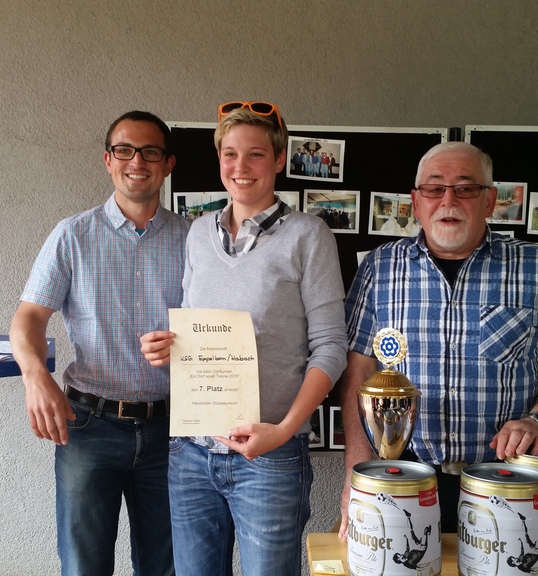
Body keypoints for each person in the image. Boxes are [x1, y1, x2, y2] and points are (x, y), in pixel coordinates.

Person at [339, 141, 538, 535]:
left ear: (489, 200)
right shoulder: (380, 267)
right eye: (434, 188)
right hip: (401, 477)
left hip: (507, 479)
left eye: (465, 188)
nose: (448, 200)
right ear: (416, 201)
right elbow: (358, 369)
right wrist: (357, 473)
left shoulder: (537, 266)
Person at [140, 102, 347, 575]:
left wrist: (285, 429)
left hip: (270, 454)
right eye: (230, 154)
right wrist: (168, 349)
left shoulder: (308, 235)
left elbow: (331, 347)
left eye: (256, 154)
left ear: (279, 159)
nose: (241, 167)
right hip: (192, 451)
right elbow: (195, 331)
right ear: (219, 159)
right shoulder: (197, 233)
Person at [9, 110, 188, 576]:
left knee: (167, 567)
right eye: (124, 150)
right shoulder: (72, 235)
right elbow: (28, 318)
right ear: (108, 160)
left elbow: (216, 327)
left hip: (173, 430)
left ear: (168, 164)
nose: (137, 161)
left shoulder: (195, 241)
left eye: (150, 152)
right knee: (83, 566)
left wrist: (187, 347)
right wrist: (35, 377)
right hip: (90, 426)